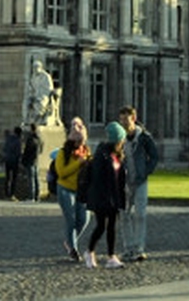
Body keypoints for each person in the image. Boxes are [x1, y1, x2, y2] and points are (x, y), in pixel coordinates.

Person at [80, 122, 128, 268]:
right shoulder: (102, 155)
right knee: (101, 226)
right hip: (102, 197)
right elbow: (99, 179)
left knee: (112, 226)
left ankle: (111, 256)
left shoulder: (116, 155)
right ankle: (90, 251)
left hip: (113, 197)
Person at [117, 104, 159, 262]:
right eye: (121, 120)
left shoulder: (144, 137)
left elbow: (154, 157)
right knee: (124, 216)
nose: (123, 123)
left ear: (133, 118)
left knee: (140, 215)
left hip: (140, 181)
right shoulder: (119, 138)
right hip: (124, 183)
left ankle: (139, 248)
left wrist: (145, 171)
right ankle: (128, 248)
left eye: (126, 120)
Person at [51, 119, 91, 262]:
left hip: (81, 190)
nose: (80, 145)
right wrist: (78, 163)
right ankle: (73, 250)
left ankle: (69, 242)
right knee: (71, 220)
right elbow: (62, 172)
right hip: (65, 189)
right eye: (78, 142)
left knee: (84, 219)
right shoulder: (63, 153)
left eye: (82, 142)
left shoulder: (86, 152)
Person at [21, 125, 42, 202]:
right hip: (36, 160)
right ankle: (37, 196)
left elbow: (27, 151)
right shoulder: (39, 139)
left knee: (31, 179)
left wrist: (24, 159)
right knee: (36, 179)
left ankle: (31, 196)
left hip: (30, 161)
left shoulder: (31, 139)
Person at [1, 127, 23, 200]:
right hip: (14, 161)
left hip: (7, 160)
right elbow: (18, 153)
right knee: (14, 178)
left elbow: (4, 149)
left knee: (7, 177)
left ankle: (6, 193)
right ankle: (12, 194)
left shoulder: (8, 139)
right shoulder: (18, 141)